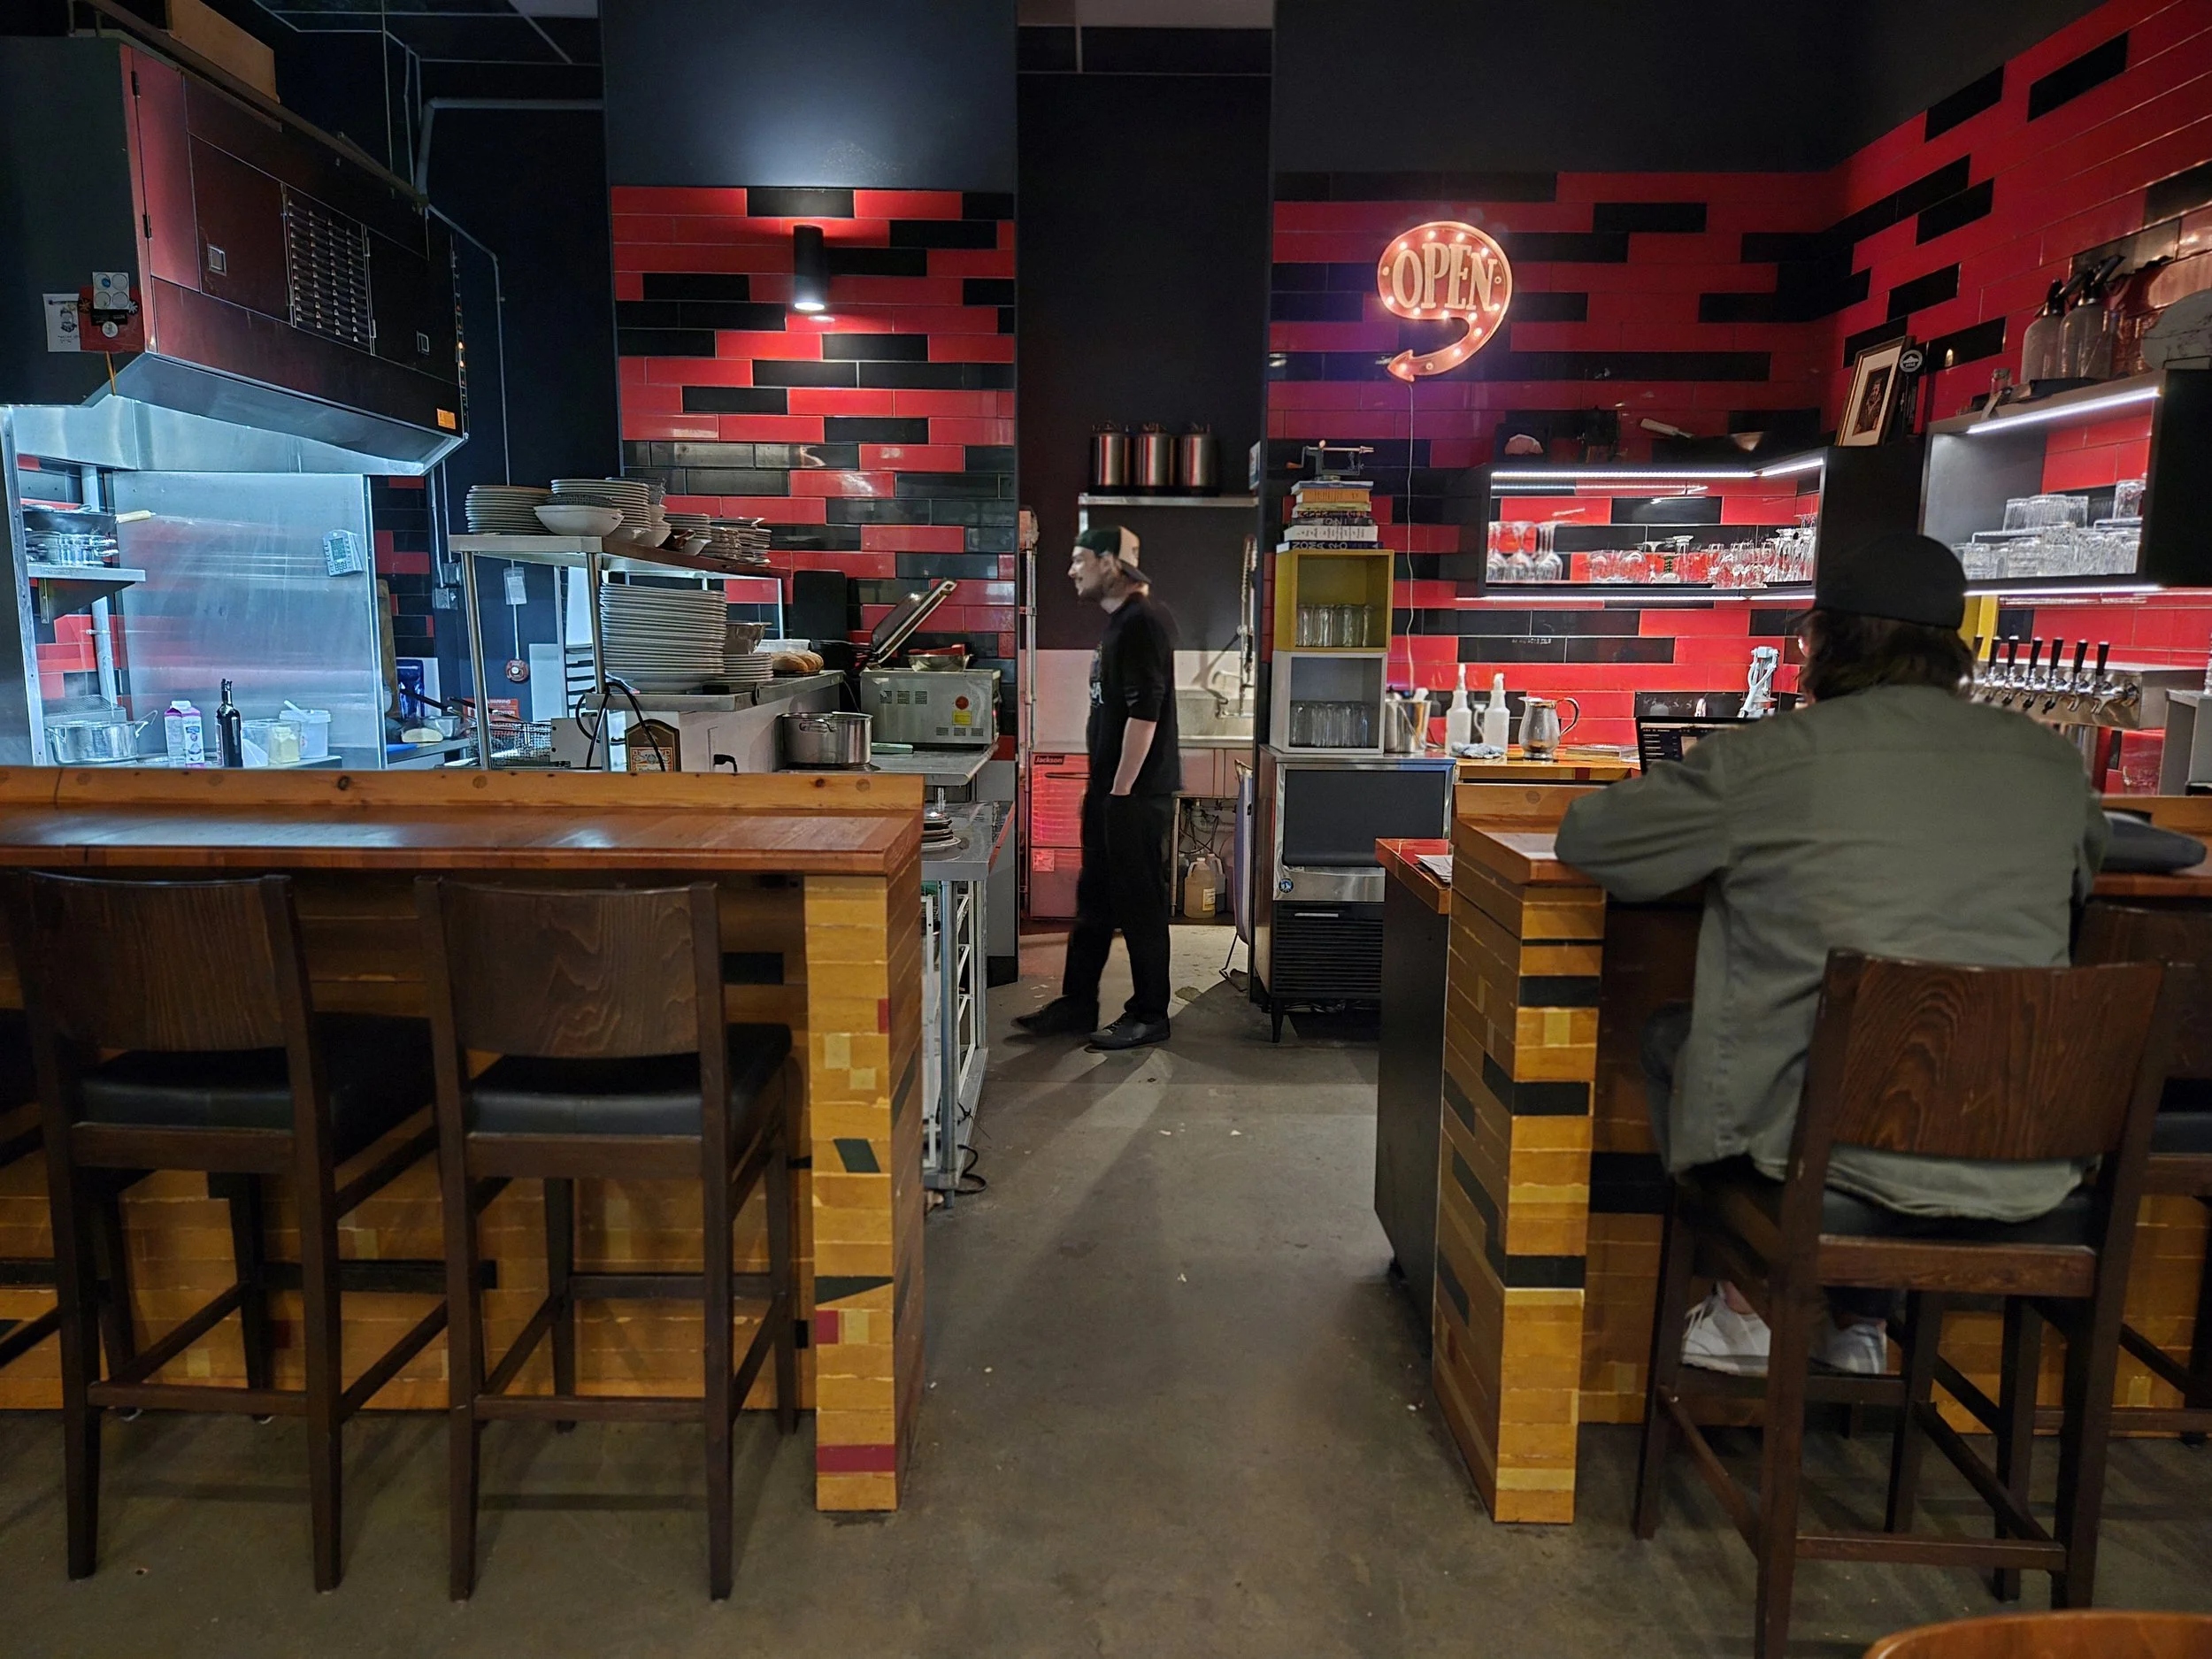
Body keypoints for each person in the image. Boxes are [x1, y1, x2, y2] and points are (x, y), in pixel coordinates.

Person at [1555, 532, 2107, 1376]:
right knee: (1893, 1060)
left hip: (1818, 1160)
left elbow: (1592, 839)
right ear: (1956, 652)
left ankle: (1747, 1309)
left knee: (1674, 1041)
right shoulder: (2051, 764)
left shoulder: (1767, 761)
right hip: (2026, 1159)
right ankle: (1860, 1323)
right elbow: (2091, 867)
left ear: (1820, 645)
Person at [1016, 525, 1182, 1052]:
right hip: (1112, 791)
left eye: (1079, 558)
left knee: (1140, 905)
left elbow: (1145, 711)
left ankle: (1150, 1013)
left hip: (1132, 794)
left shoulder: (1143, 622)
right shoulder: (1121, 623)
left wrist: (1120, 791)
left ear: (1110, 562)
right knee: (1094, 902)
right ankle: (1077, 1003)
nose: (1070, 570)